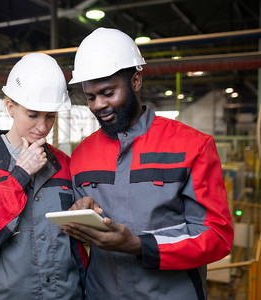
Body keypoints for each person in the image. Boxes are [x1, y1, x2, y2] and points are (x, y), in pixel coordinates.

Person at [62, 27, 234, 300]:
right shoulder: (82, 154)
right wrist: (81, 215)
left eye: (108, 92)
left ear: (136, 81)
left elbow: (217, 237)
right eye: (91, 97)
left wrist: (139, 245)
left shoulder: (192, 146)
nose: (98, 105)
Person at [0, 52, 87, 300]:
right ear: (10, 108)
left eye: (50, 116)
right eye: (33, 115)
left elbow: (75, 246)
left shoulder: (64, 164)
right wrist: (20, 175)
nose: (43, 127)